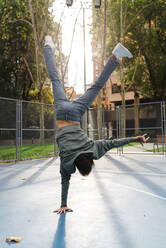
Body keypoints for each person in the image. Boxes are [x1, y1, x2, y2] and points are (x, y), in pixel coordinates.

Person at [44, 36, 149, 214]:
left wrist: (135, 138)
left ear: (90, 160)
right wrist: (63, 204)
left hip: (76, 112)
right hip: (62, 112)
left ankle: (115, 56)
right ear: (77, 166)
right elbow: (64, 181)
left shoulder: (93, 149)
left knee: (96, 86)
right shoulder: (68, 163)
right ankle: (48, 46)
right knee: (55, 80)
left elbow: (113, 142)